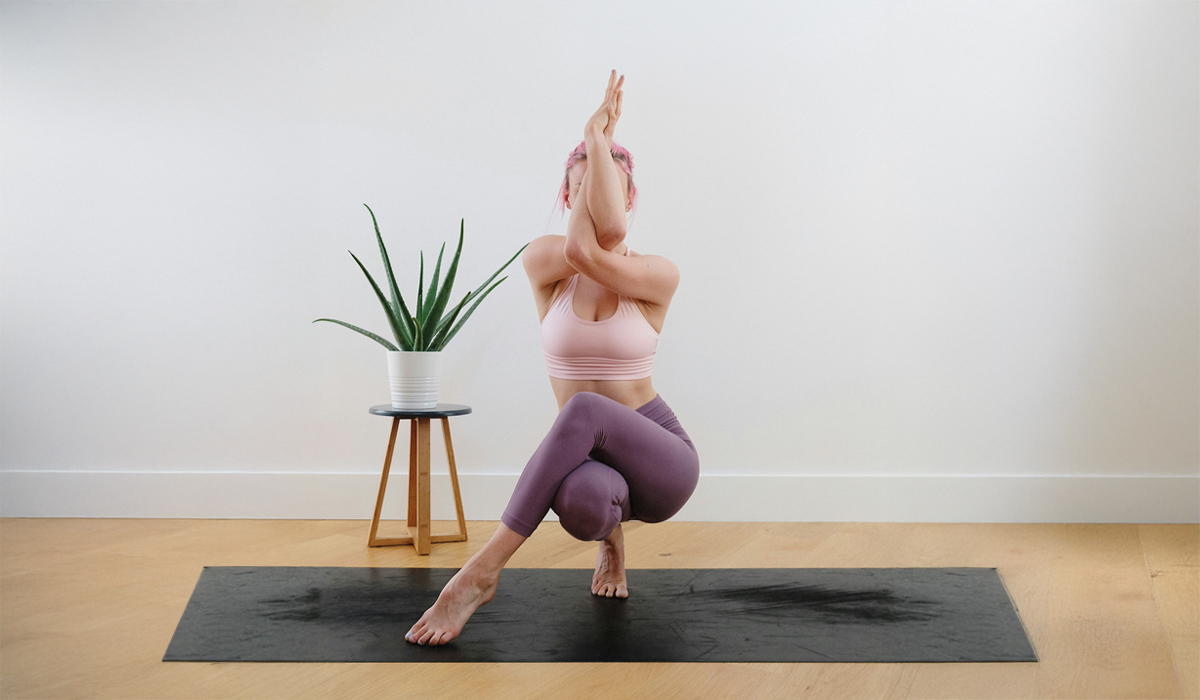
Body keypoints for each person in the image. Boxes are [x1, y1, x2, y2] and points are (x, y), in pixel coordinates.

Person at [405, 70, 699, 646]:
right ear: (567, 198)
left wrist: (595, 140)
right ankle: (609, 540)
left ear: (629, 199)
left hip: (661, 462)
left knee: (584, 407)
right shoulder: (545, 262)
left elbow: (601, 238)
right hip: (590, 465)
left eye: (607, 188)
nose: (595, 199)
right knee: (583, 503)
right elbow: (581, 248)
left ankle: (479, 574)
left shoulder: (656, 275)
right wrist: (597, 148)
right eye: (582, 189)